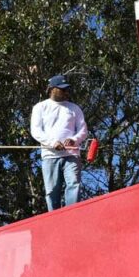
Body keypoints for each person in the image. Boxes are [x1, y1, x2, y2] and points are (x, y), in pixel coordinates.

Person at [30, 74, 88, 211]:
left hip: (71, 154)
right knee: (52, 190)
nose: (65, 92)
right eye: (62, 89)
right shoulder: (40, 107)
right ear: (51, 89)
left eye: (66, 89)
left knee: (74, 183)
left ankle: (72, 214)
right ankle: (54, 218)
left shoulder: (74, 108)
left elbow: (83, 130)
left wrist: (74, 140)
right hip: (50, 155)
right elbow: (36, 131)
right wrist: (52, 142)